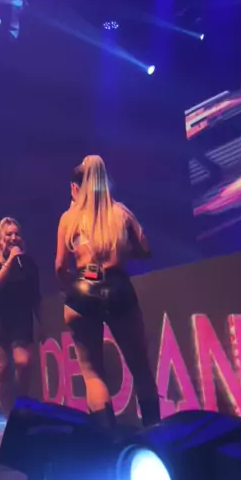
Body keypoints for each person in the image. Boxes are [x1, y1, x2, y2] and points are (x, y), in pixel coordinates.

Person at [55, 155, 160, 428]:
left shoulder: (69, 218)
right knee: (140, 368)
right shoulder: (121, 213)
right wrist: (121, 251)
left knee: (92, 374)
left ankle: (108, 440)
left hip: (85, 282)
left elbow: (59, 267)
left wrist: (75, 285)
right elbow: (146, 250)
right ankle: (155, 435)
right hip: (116, 283)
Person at [0, 217, 40, 417]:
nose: (14, 238)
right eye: (9, 234)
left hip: (20, 321)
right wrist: (10, 261)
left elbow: (35, 296)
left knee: (24, 363)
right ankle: (9, 416)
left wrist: (43, 323)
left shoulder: (27, 264)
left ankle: (21, 406)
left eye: (17, 234)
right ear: (0, 238)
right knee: (1, 370)